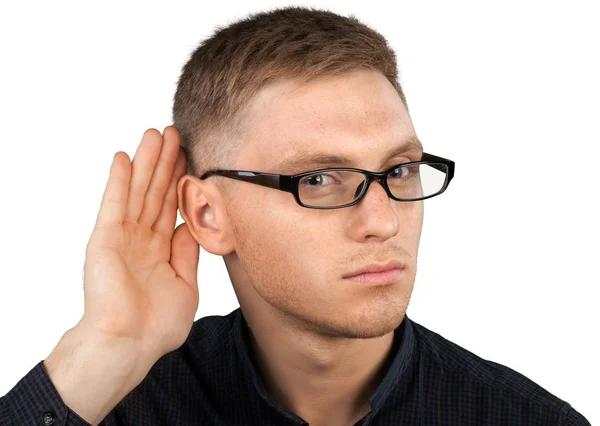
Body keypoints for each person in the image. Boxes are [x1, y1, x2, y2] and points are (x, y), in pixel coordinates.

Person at [0, 6, 590, 426]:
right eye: (318, 179)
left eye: (401, 170)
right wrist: (106, 347)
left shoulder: (524, 417)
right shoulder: (114, 403)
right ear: (207, 214)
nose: (383, 223)